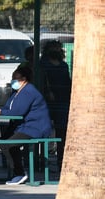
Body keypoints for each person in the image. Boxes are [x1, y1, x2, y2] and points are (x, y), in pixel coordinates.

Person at [0, 66, 51, 185]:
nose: (13, 81)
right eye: (12, 78)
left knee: (7, 145)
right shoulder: (16, 92)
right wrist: (0, 110)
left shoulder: (29, 91)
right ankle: (16, 172)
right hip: (23, 126)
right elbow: (9, 107)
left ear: (24, 79)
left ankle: (20, 173)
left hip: (34, 128)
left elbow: (18, 111)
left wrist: (2, 113)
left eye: (16, 79)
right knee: (3, 141)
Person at [39, 40, 72, 171]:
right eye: (53, 48)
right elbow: (42, 81)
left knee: (62, 131)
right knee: (45, 131)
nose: (56, 50)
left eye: (58, 48)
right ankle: (42, 160)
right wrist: (48, 92)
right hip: (48, 102)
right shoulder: (43, 64)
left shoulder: (64, 65)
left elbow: (67, 81)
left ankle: (61, 161)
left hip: (63, 101)